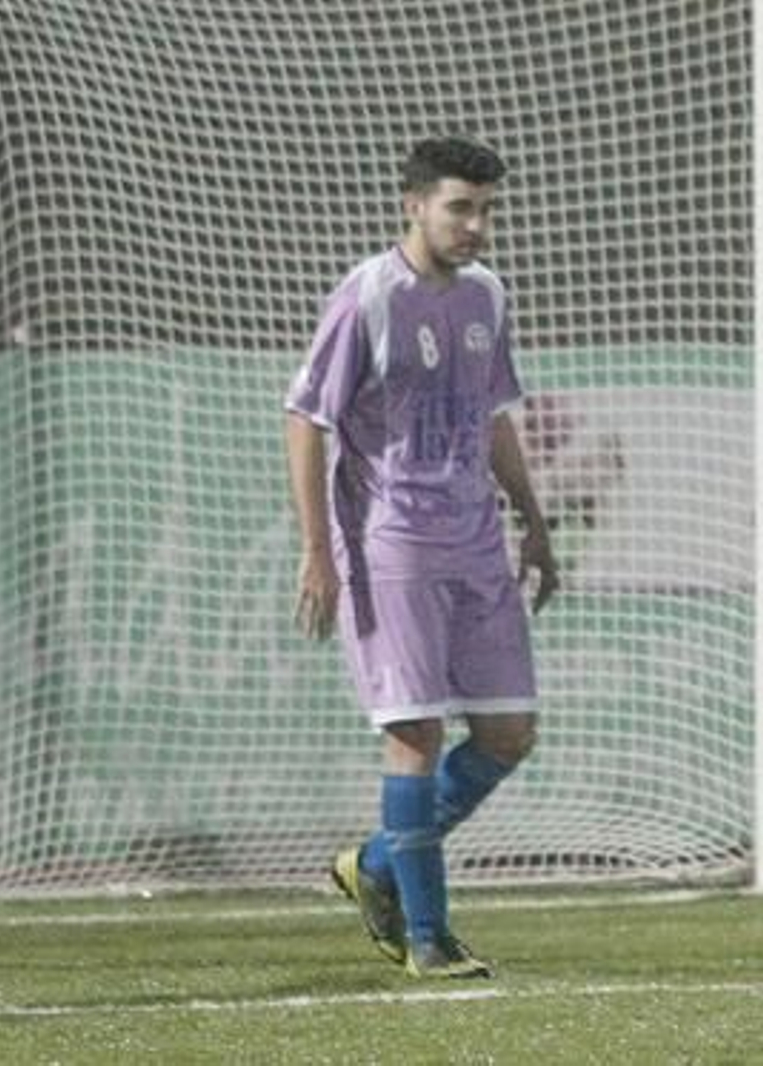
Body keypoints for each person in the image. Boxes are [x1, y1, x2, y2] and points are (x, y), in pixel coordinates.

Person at [284, 135, 559, 980]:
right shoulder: (367, 297)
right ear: (414, 205)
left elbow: (492, 414)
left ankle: (374, 863)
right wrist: (318, 551)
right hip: (390, 542)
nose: (476, 226)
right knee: (416, 735)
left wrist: (533, 520)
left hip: (475, 541)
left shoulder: (487, 296)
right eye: (459, 208)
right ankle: (428, 938)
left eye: (485, 211)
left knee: (509, 734)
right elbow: (306, 419)